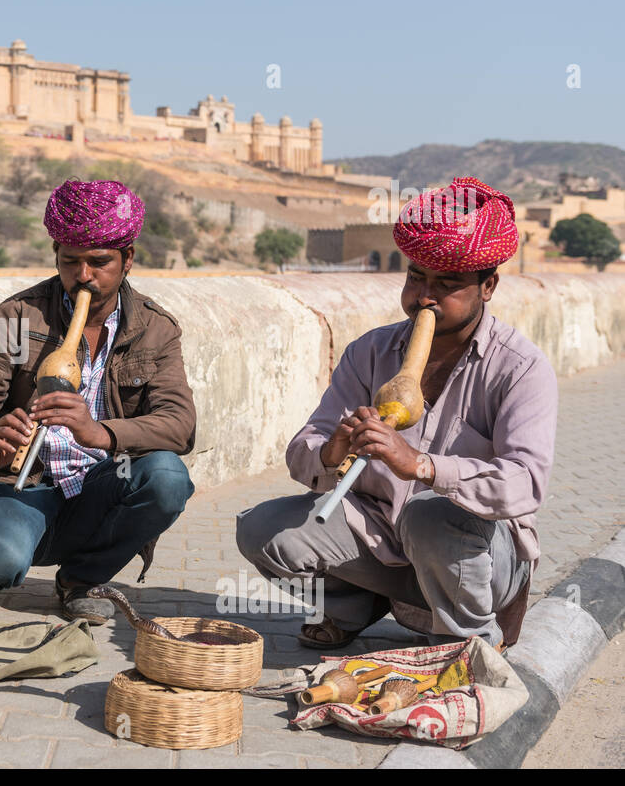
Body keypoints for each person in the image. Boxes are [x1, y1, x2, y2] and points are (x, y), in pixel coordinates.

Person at [236, 177, 557, 649]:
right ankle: (355, 607)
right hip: (382, 535)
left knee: (431, 516)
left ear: (487, 286)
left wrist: (423, 467)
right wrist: (332, 450)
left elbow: (525, 483)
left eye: (447, 284)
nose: (425, 296)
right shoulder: (370, 351)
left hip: (479, 556)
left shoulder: (520, 367)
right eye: (415, 277)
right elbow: (302, 453)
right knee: (263, 530)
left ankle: (466, 643)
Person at [0, 179, 198, 623]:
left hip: (98, 486)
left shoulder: (156, 329)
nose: (84, 276)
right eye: (70, 262)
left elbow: (180, 425)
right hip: (20, 490)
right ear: (56, 258)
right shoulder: (18, 317)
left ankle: (82, 578)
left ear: (128, 260)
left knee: (167, 477)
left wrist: (99, 433)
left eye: (99, 262)